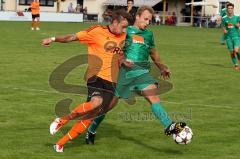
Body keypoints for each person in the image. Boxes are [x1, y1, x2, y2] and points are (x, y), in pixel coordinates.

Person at [85, 6, 186, 145]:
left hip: (142, 72)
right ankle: (91, 130)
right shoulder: (126, 31)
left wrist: (162, 68)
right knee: (109, 105)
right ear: (137, 16)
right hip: (124, 73)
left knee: (153, 96)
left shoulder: (149, 35)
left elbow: (153, 53)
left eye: (150, 20)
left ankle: (169, 125)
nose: (147, 22)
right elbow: (114, 46)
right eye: (145, 19)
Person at [42, 9, 131, 152]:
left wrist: (124, 61)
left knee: (92, 116)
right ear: (115, 22)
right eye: (123, 26)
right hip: (95, 76)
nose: (125, 30)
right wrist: (52, 39)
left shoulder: (124, 36)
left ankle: (60, 144)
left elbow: (120, 54)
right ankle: (62, 120)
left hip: (112, 81)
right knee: (97, 102)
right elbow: (72, 37)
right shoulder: (96, 31)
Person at [221, 3, 240, 70]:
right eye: (229, 8)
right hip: (228, 37)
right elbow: (223, 26)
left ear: (233, 9)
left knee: (236, 50)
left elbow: (239, 23)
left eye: (231, 8)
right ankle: (236, 65)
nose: (230, 9)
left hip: (236, 36)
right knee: (231, 52)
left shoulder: (237, 17)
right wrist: (224, 30)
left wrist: (238, 25)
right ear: (227, 9)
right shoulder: (224, 18)